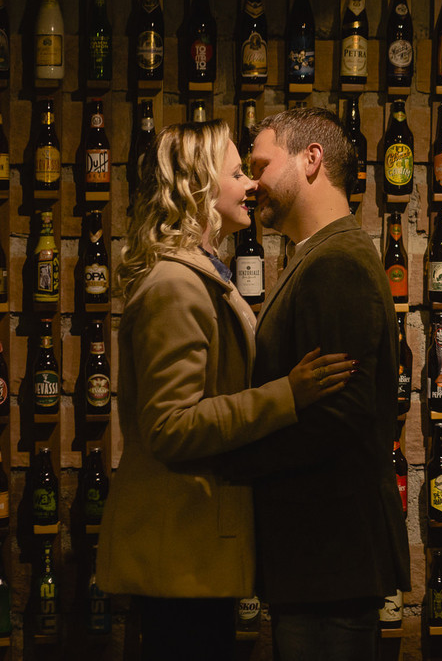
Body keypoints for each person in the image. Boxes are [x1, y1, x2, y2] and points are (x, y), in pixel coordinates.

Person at [96, 119, 353, 661]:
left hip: (193, 551)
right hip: (180, 556)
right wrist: (287, 395)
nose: (253, 184)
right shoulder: (175, 286)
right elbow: (171, 427)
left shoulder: (201, 277)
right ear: (199, 188)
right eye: (238, 173)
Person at [223, 107, 410, 660]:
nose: (253, 183)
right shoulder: (319, 257)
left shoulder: (338, 264)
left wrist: (235, 457)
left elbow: (339, 418)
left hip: (330, 557)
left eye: (261, 164)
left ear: (311, 160)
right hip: (318, 561)